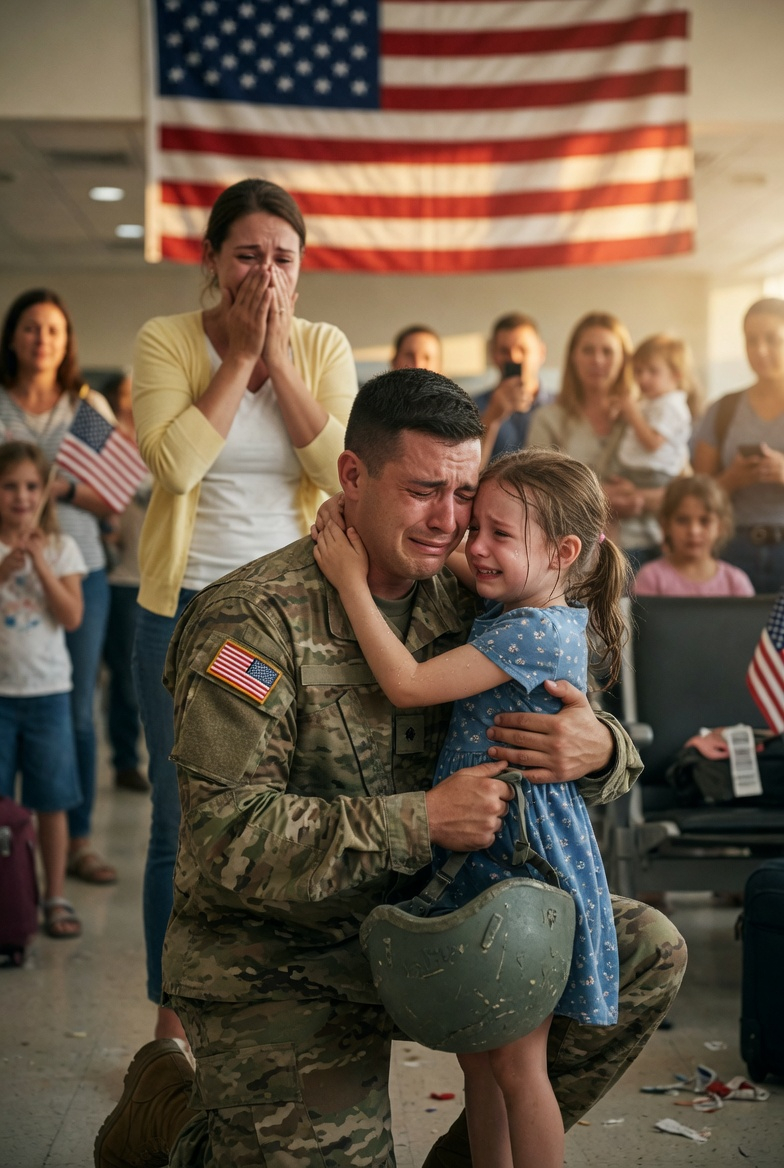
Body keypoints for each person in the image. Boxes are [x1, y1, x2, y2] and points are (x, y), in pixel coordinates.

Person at [95, 369, 686, 1168]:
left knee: (647, 948)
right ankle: (170, 1115)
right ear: (352, 477)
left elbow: (569, 710)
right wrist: (423, 819)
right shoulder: (251, 621)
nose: (450, 523)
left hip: (440, 917)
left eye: (464, 493)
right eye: (421, 491)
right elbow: (223, 834)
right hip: (285, 954)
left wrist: (602, 747)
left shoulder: (472, 592)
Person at [314, 446, 629, 1168]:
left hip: (522, 863)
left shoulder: (531, 628)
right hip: (491, 855)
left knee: (518, 1068)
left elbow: (407, 683)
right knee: (481, 1063)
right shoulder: (525, 598)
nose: (475, 546)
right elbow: (453, 557)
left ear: (565, 551)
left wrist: (350, 579)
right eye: (473, 525)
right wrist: (370, 524)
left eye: (499, 534)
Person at [130, 177, 358, 1045]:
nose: (265, 273)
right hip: (186, 613)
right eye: (248, 255)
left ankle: (270, 1002)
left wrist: (281, 361)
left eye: (283, 259)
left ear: (302, 272)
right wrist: (237, 358)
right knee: (179, 816)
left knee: (286, 805)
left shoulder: (326, 345)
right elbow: (176, 467)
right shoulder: (167, 341)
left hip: (286, 619)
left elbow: (340, 468)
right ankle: (173, 1021)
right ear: (212, 262)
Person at [0, 288, 117, 885]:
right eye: (29, 327)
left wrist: (62, 489)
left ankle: (77, 838)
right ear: (13, 336)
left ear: (67, 341)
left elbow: (114, 496)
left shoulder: (87, 409)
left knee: (73, 707)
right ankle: (11, 844)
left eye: (52, 329)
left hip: (77, 562)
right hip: (3, 562)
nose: (41, 339)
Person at [0, 441, 85, 938]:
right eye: (9, 486)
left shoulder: (60, 547)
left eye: (32, 486)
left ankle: (53, 894)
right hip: (2, 696)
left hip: (49, 694)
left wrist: (41, 566)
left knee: (52, 798)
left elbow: (72, 616)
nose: (21, 496)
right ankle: (10, 895)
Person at [527, 311, 664, 571]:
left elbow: (682, 488)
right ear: (573, 358)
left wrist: (640, 499)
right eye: (588, 350)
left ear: (625, 358)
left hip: (651, 554)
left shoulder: (649, 416)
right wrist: (601, 497)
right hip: (575, 557)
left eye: (607, 351)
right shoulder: (548, 419)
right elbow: (535, 493)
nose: (597, 360)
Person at [692, 297, 784, 593]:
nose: (760, 350)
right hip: (733, 549)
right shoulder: (724, 409)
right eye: (751, 340)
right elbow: (697, 493)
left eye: (772, 339)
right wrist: (730, 480)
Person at [100, 372, 150, 793]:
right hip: (122, 576)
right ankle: (124, 760)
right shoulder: (108, 443)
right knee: (125, 678)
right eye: (123, 391)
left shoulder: (160, 438)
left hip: (163, 576)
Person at [634, 475, 754, 597]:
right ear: (666, 525)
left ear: (720, 527)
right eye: (682, 520)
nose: (693, 531)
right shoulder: (650, 578)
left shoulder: (735, 582)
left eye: (704, 521)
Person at [618, 334, 696, 491]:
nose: (642, 378)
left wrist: (633, 414)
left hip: (653, 474)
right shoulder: (653, 401)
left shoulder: (671, 406)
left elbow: (652, 443)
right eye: (638, 371)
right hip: (639, 470)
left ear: (676, 375)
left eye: (652, 371)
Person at [474, 313, 552, 464]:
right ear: (493, 354)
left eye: (522, 350)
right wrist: (490, 418)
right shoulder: (470, 407)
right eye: (504, 351)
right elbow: (467, 472)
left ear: (541, 353)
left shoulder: (561, 408)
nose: (514, 358)